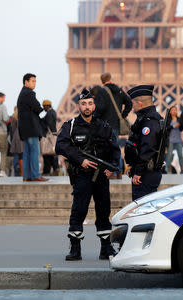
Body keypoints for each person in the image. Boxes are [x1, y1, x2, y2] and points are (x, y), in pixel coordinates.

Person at [55, 88, 120, 261]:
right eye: (84, 104)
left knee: (103, 210)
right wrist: (80, 160)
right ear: (79, 105)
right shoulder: (71, 126)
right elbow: (60, 146)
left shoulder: (104, 126)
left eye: (90, 103)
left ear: (94, 105)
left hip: (100, 176)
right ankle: (75, 249)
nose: (87, 107)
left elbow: (115, 149)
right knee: (79, 210)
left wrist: (112, 167)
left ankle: (105, 248)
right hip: (82, 175)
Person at [125, 85, 164, 200]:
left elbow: (148, 148)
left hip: (146, 174)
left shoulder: (149, 121)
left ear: (140, 103)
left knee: (142, 209)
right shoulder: (147, 119)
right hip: (145, 171)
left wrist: (138, 172)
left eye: (133, 104)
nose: (132, 108)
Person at [94, 72, 132, 179]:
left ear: (102, 81)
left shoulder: (102, 91)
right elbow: (129, 102)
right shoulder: (118, 90)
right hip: (116, 124)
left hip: (105, 124)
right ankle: (118, 171)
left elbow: (100, 108)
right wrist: (122, 116)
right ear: (110, 78)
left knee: (108, 148)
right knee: (115, 147)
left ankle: (113, 171)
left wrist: (95, 118)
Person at [17, 73, 48, 182]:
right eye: (33, 81)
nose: (35, 83)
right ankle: (35, 175)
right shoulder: (29, 93)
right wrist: (43, 110)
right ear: (26, 82)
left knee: (27, 152)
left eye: (35, 81)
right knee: (35, 151)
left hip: (24, 129)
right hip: (31, 128)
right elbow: (37, 107)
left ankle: (27, 176)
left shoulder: (22, 93)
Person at [41, 100, 59, 176]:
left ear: (47, 106)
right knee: (52, 152)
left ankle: (47, 171)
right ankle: (55, 168)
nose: (43, 108)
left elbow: (48, 124)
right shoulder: (53, 112)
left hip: (49, 136)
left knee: (47, 153)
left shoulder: (49, 113)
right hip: (53, 135)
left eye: (43, 106)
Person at [165, 106, 183, 174]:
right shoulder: (168, 120)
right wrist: (173, 126)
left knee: (180, 155)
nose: (174, 111)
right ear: (170, 112)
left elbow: (181, 128)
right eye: (172, 110)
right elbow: (166, 128)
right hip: (171, 140)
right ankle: (168, 169)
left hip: (178, 140)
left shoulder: (179, 119)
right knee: (169, 156)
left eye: (175, 110)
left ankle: (182, 169)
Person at [10, 106, 24, 176]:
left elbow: (12, 129)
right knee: (23, 154)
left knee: (16, 154)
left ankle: (17, 169)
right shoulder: (23, 116)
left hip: (16, 136)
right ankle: (22, 170)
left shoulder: (14, 117)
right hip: (23, 136)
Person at [0, 92, 9, 177]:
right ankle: (2, 171)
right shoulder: (2, 106)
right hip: (2, 132)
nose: (4, 100)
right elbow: (5, 118)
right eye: (4, 98)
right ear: (0, 98)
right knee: (3, 151)